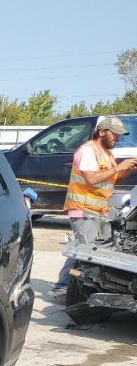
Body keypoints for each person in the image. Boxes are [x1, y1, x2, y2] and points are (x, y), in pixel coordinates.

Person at [54, 116, 137, 295]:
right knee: (84, 250)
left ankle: (76, 286)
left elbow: (112, 178)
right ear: (101, 132)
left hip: (99, 210)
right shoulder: (87, 151)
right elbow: (91, 179)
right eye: (115, 134)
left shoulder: (106, 154)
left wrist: (128, 168)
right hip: (83, 209)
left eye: (119, 135)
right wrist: (118, 167)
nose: (118, 138)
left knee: (91, 250)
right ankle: (63, 286)